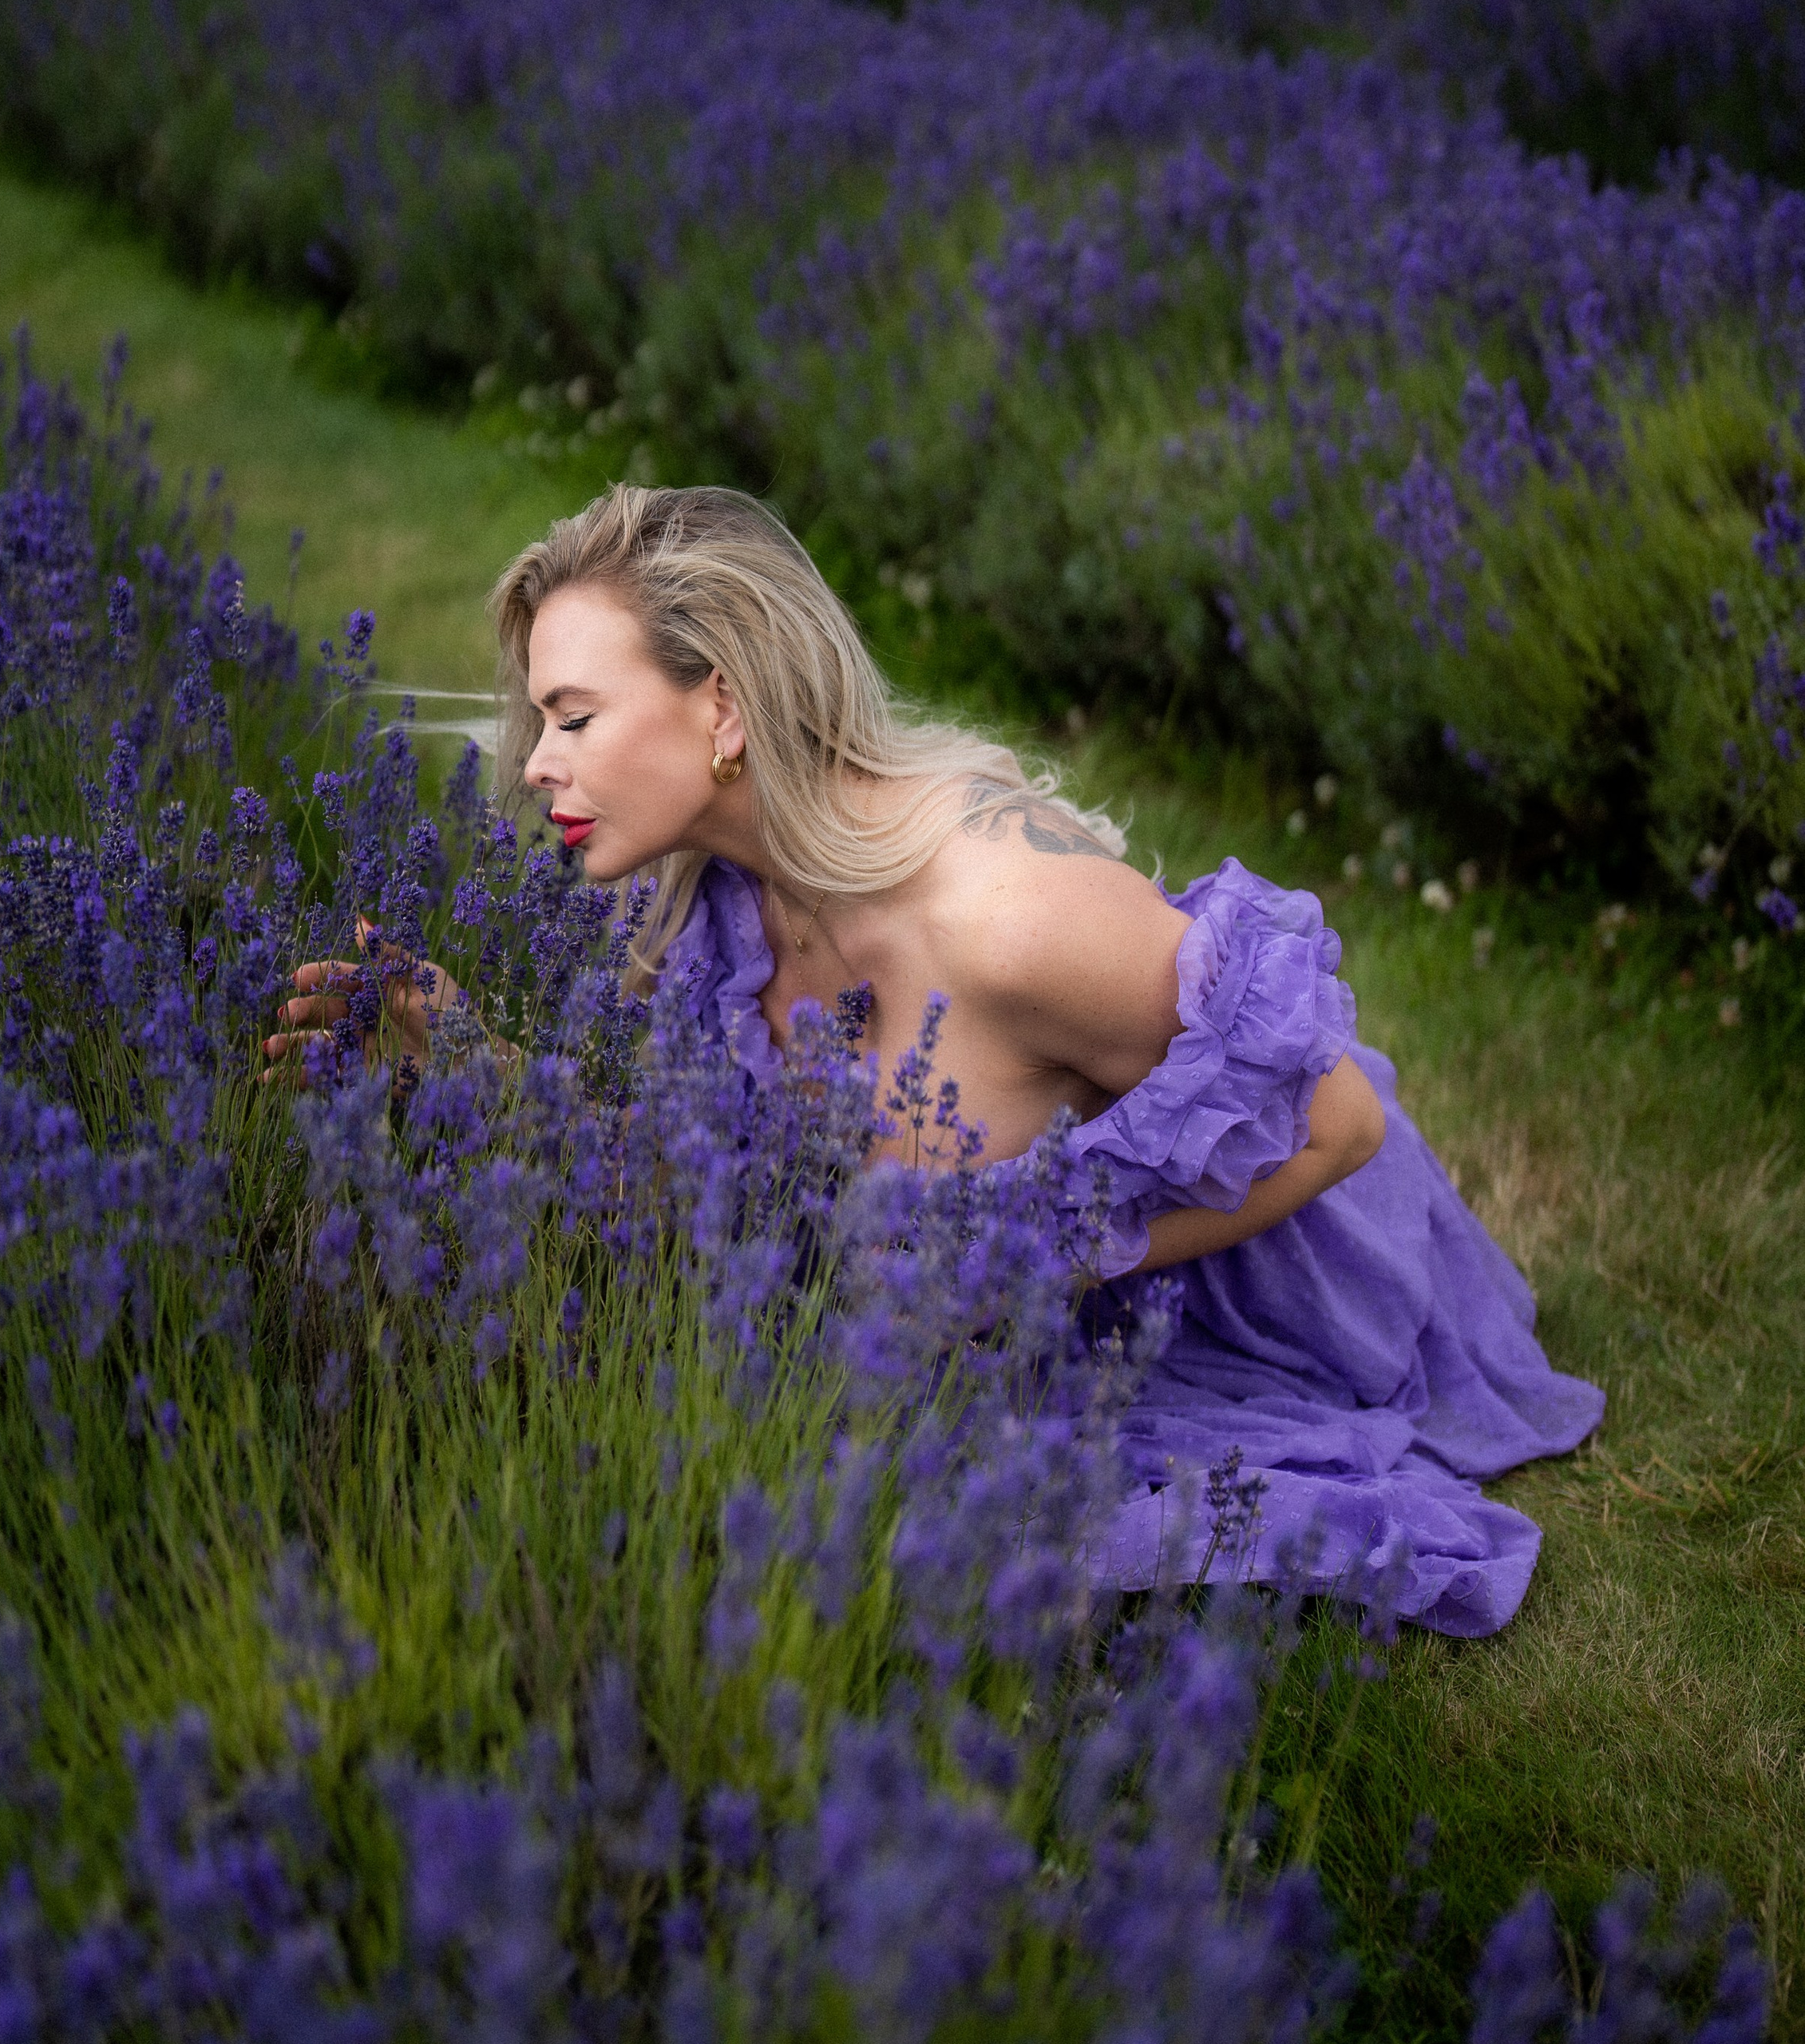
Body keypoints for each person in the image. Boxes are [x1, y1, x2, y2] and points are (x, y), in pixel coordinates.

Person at [263, 483, 1604, 1636]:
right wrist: (482, 1069)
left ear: (720, 706)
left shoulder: (1004, 912)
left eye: (573, 717)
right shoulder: (704, 902)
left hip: (1277, 1275)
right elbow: (736, 1197)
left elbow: (1339, 1122)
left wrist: (1039, 1256)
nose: (538, 766)